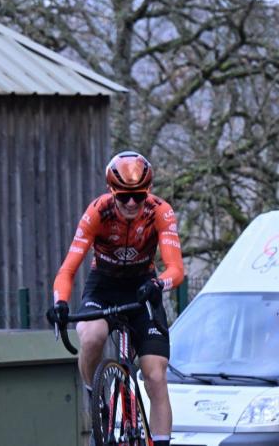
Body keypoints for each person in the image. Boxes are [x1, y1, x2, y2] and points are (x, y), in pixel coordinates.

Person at [47, 151, 184, 446]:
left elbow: (177, 269)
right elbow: (67, 270)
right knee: (92, 334)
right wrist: (60, 302)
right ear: (112, 192)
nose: (132, 203)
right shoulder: (97, 212)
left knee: (155, 375)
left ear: (147, 191)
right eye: (124, 197)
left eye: (138, 195)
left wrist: (159, 284)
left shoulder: (160, 211)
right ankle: (94, 394)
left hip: (143, 286)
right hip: (104, 286)